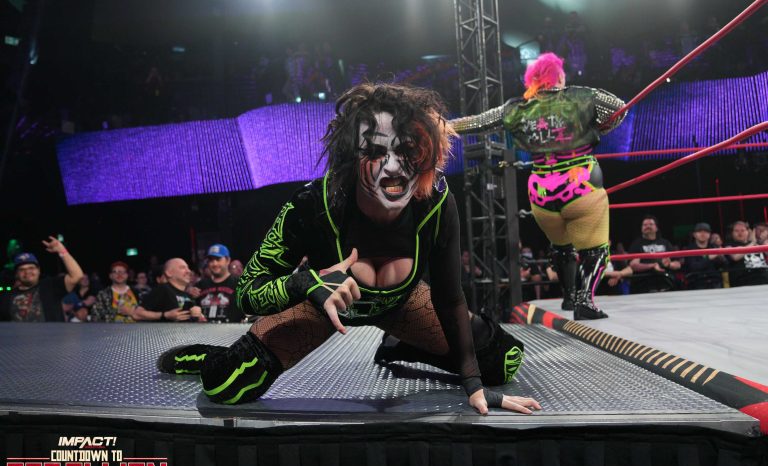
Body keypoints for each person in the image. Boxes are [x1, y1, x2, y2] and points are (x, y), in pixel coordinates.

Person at [158, 83, 541, 415]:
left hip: (402, 304)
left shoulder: (435, 200)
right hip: (323, 307)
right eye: (375, 151)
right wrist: (307, 284)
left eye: (406, 150)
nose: (393, 167)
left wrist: (472, 383)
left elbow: (449, 297)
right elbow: (246, 292)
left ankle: (398, 345)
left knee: (503, 361)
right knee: (227, 385)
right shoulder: (312, 205)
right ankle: (209, 355)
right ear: (352, 157)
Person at [451, 53, 627, 320]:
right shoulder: (582, 96)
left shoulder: (519, 108)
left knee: (562, 245)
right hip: (580, 183)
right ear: (559, 77)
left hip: (541, 193)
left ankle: (569, 297)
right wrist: (597, 129)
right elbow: (619, 108)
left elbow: (479, 122)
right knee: (595, 249)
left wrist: (443, 125)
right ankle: (584, 301)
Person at [0, 237, 84, 322]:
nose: (27, 272)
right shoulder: (6, 297)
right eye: (22, 269)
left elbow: (77, 276)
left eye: (31, 268)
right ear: (16, 274)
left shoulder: (50, 286)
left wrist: (62, 251)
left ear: (39, 270)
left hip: (51, 331)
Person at [133, 258, 205, 322]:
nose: (189, 271)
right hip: (164, 333)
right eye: (182, 268)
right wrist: (165, 315)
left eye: (188, 268)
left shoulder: (187, 294)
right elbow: (137, 314)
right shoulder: (163, 289)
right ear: (169, 273)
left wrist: (198, 315)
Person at [628, 215, 681, 293]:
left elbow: (678, 264)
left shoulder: (665, 243)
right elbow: (633, 266)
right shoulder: (637, 244)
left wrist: (669, 264)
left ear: (656, 228)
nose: (648, 226)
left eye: (651, 224)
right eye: (645, 225)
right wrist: (652, 266)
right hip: (644, 283)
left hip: (666, 281)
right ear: (641, 228)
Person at [196, 244, 244, 323]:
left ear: (228, 260)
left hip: (232, 330)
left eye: (218, 259)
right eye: (211, 260)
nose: (214, 264)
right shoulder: (200, 285)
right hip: (204, 330)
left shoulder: (239, 284)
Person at [724, 221, 768, 287]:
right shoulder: (729, 245)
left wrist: (765, 242)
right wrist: (753, 243)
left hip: (763, 278)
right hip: (744, 281)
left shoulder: (757, 244)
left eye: (742, 230)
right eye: (736, 231)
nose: (740, 233)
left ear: (748, 232)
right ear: (732, 233)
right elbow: (735, 257)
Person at [682, 222, 724, 289]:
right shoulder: (689, 249)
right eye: (699, 231)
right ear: (694, 234)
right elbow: (694, 267)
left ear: (709, 234)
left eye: (706, 231)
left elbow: (725, 264)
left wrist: (721, 257)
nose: (703, 234)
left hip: (715, 282)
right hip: (697, 283)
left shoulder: (714, 247)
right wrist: (708, 257)